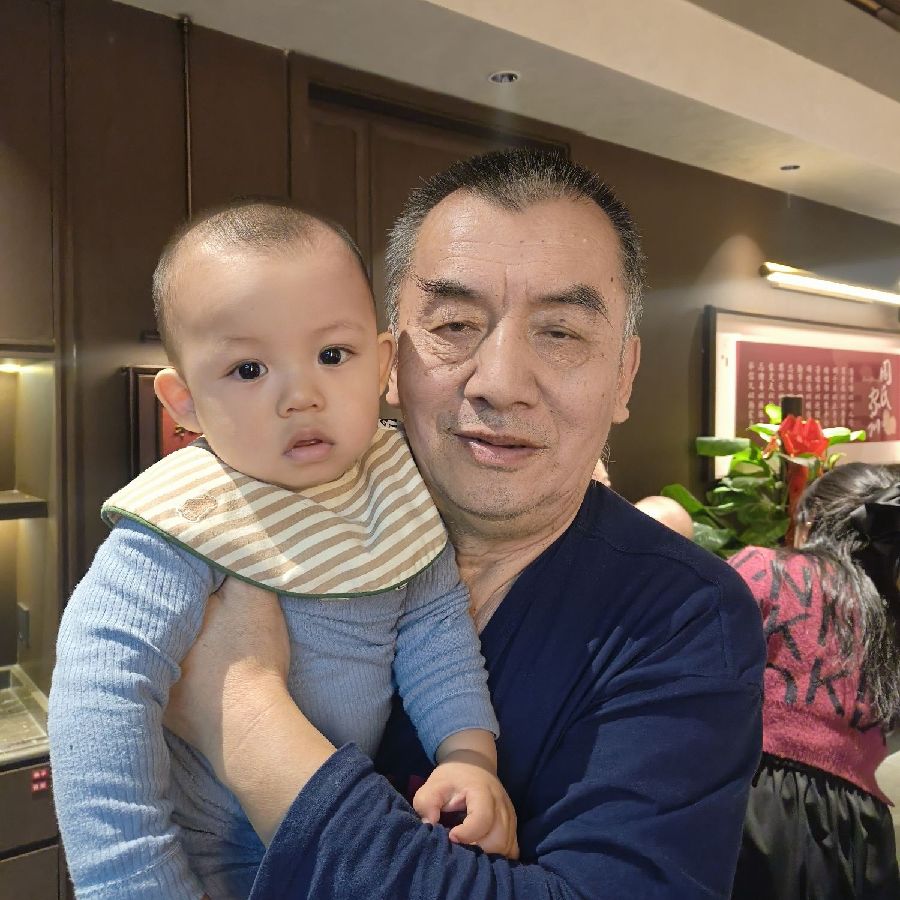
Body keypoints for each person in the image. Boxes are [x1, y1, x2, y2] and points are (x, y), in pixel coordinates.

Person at [163, 149, 767, 898]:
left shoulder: (682, 616)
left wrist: (246, 719)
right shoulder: (239, 524)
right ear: (385, 361)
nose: (501, 383)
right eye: (453, 324)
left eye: (561, 333)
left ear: (624, 376)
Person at [48, 202, 515, 900]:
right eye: (248, 369)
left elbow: (434, 625)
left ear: (383, 364)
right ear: (184, 403)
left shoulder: (392, 485)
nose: (301, 395)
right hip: (205, 855)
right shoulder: (184, 520)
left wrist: (469, 755)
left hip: (342, 832)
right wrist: (130, 876)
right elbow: (100, 692)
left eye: (332, 356)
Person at [728, 463, 900, 899]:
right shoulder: (889, 611)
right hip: (859, 828)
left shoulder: (762, 568)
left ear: (809, 521)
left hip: (755, 801)